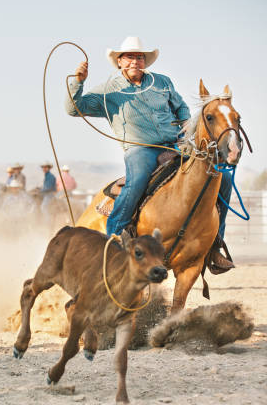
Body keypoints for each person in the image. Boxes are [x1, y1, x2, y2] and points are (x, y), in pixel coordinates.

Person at [65, 36, 233, 270]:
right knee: (139, 178)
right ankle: (113, 237)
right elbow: (75, 109)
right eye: (130, 57)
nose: (135, 61)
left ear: (145, 61)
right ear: (120, 62)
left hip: (175, 144)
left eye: (140, 57)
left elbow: (181, 106)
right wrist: (78, 82)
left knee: (221, 177)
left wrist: (185, 121)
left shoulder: (162, 82)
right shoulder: (108, 91)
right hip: (139, 149)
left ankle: (215, 243)